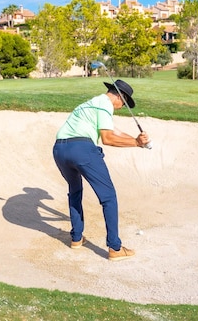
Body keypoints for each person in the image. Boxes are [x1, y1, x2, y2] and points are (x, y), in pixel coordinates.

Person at [52, 79, 150, 261]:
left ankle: (76, 238)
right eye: (125, 103)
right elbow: (108, 138)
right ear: (120, 97)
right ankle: (115, 248)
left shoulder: (91, 103)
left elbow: (115, 131)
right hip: (82, 150)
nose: (122, 107)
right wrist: (136, 142)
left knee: (75, 191)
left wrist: (138, 143)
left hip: (59, 149)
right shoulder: (105, 105)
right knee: (109, 197)